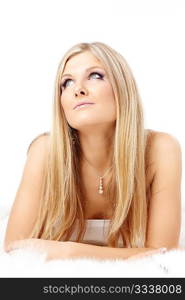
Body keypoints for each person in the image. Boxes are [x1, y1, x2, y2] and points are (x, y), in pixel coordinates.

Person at [3, 42, 182, 261]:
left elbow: (165, 255)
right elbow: (14, 248)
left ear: (122, 88)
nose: (78, 90)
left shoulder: (161, 150)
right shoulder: (45, 152)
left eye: (96, 76)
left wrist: (70, 251)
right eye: (66, 83)